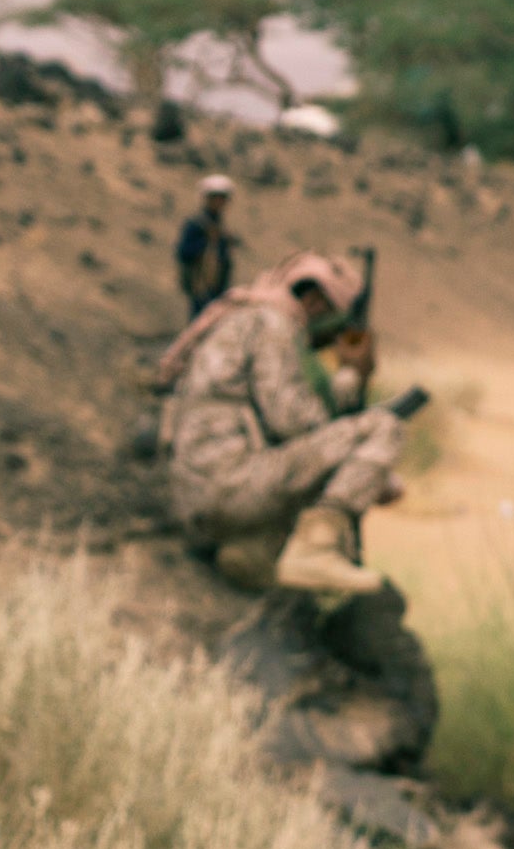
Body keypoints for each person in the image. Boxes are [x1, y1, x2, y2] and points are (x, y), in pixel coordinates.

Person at [160, 248, 400, 596]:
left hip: (196, 496)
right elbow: (291, 418)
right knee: (384, 427)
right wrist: (352, 381)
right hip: (228, 485)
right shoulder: (271, 322)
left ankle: (251, 549)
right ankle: (315, 550)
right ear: (317, 302)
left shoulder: (240, 321)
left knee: (303, 474)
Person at [172, 174, 240, 320]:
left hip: (219, 289)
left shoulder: (221, 227)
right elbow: (184, 253)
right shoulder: (196, 225)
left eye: (222, 198)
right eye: (215, 198)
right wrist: (205, 242)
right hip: (201, 289)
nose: (219, 202)